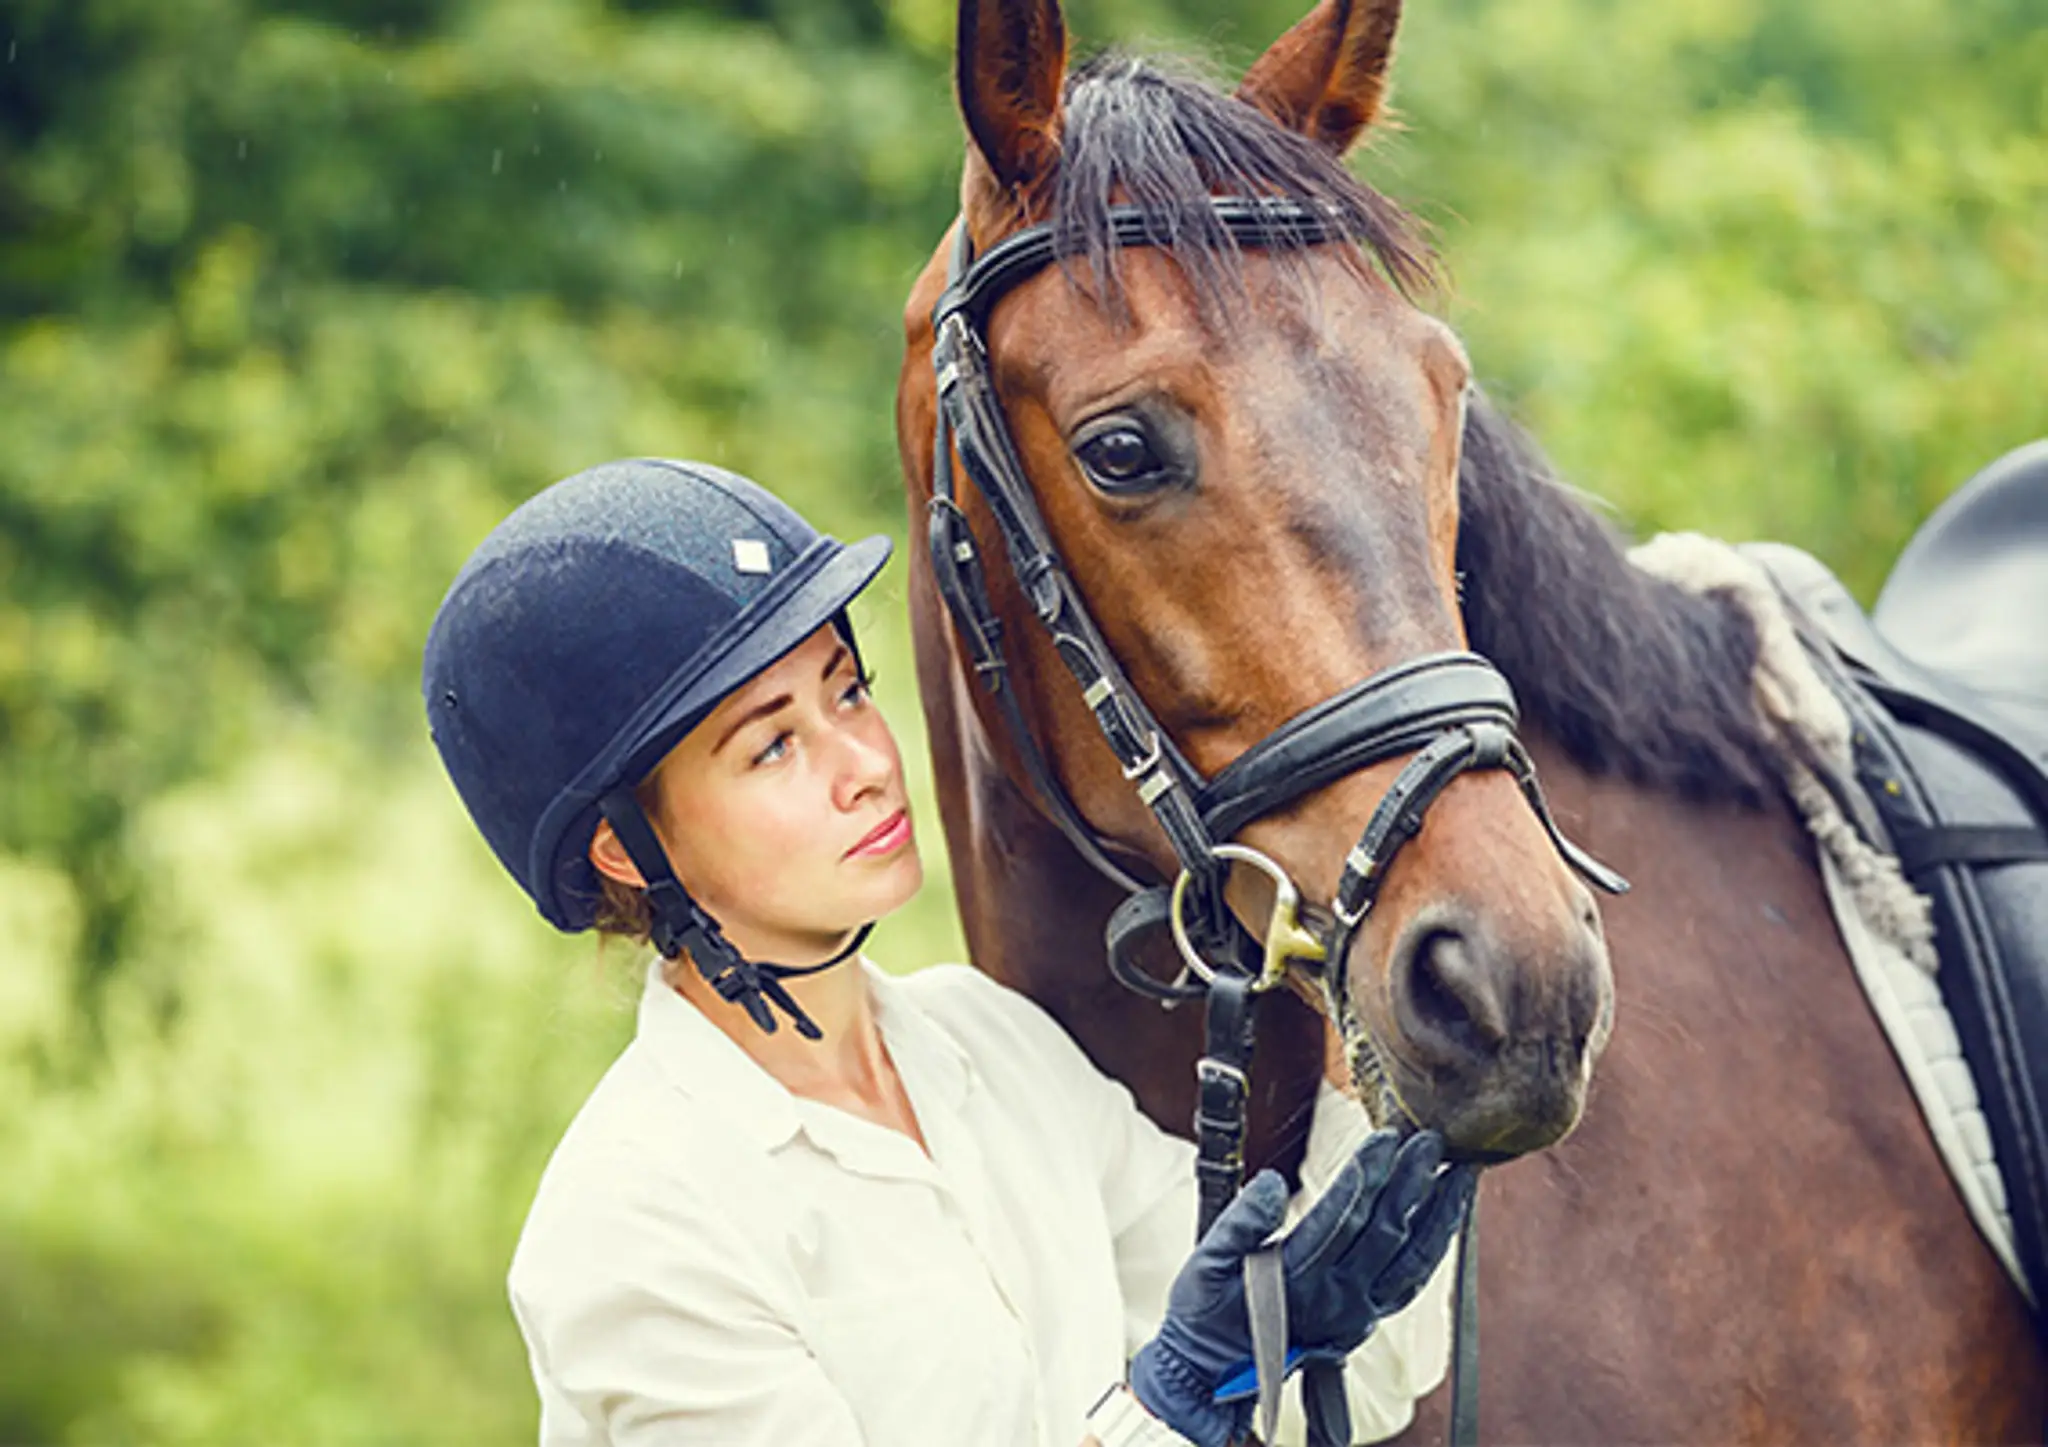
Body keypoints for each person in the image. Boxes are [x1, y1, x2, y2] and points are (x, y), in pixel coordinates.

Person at [422, 457, 1476, 1447]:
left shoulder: (993, 1043)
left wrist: (1379, 1036)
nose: (866, 764)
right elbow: (1196, 1396)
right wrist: (1170, 1406)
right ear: (628, 849)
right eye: (773, 745)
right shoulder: (637, 1227)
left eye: (846, 689)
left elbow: (1350, 1383)